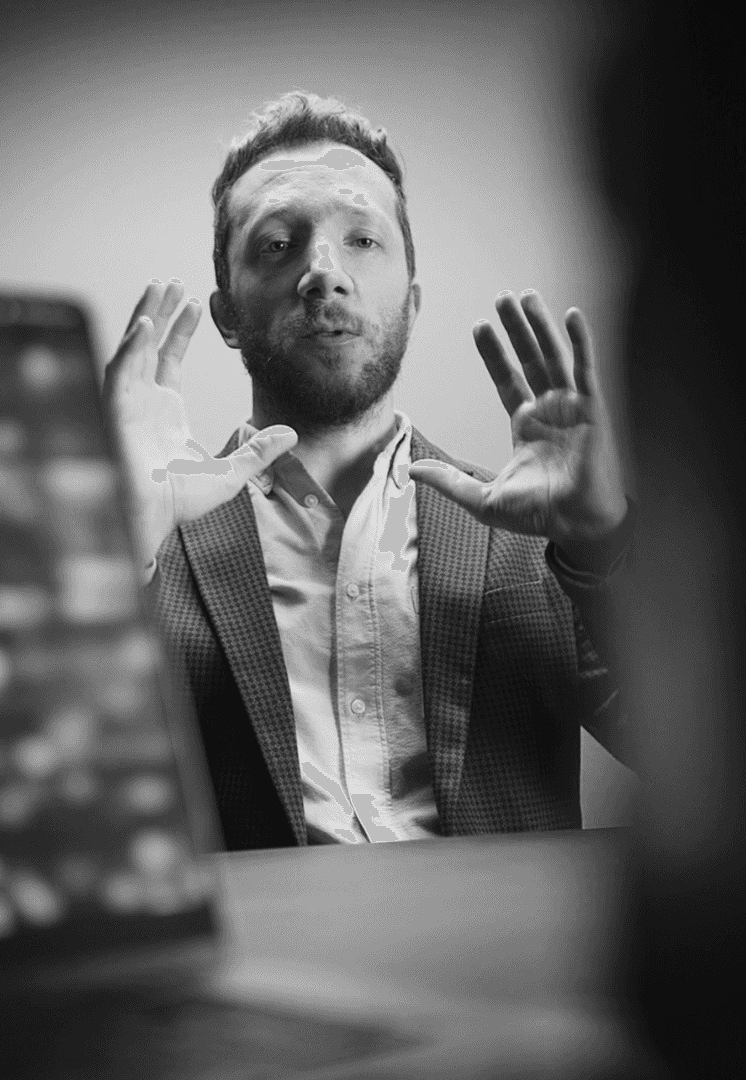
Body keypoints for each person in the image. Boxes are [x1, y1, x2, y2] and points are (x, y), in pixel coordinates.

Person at [106, 92, 633, 850]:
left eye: (362, 240)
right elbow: (32, 792)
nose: (324, 272)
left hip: (503, 956)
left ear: (412, 303)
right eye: (279, 244)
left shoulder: (536, 531)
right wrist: (116, 538)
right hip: (266, 964)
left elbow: (690, 746)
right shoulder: (152, 536)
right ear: (226, 315)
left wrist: (602, 546)